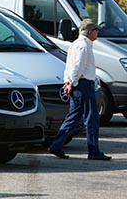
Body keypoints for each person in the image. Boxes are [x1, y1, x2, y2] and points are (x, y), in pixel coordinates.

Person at [48, 19, 112, 161]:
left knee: (73, 117)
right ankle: (93, 150)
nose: (97, 32)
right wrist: (72, 82)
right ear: (89, 32)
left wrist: (68, 82)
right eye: (96, 30)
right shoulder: (84, 46)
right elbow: (78, 67)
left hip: (77, 84)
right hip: (83, 85)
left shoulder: (75, 45)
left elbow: (68, 66)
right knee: (91, 118)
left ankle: (57, 145)